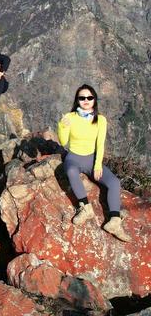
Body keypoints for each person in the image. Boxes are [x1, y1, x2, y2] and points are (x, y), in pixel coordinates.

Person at [57, 84, 131, 242]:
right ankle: (85, 208)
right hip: (74, 157)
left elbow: (100, 145)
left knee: (114, 183)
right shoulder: (70, 117)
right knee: (70, 171)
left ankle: (114, 221)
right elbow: (63, 142)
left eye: (89, 97)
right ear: (77, 100)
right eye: (82, 98)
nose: (85, 100)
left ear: (94, 100)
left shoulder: (101, 120)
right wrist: (62, 126)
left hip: (91, 159)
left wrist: (97, 165)